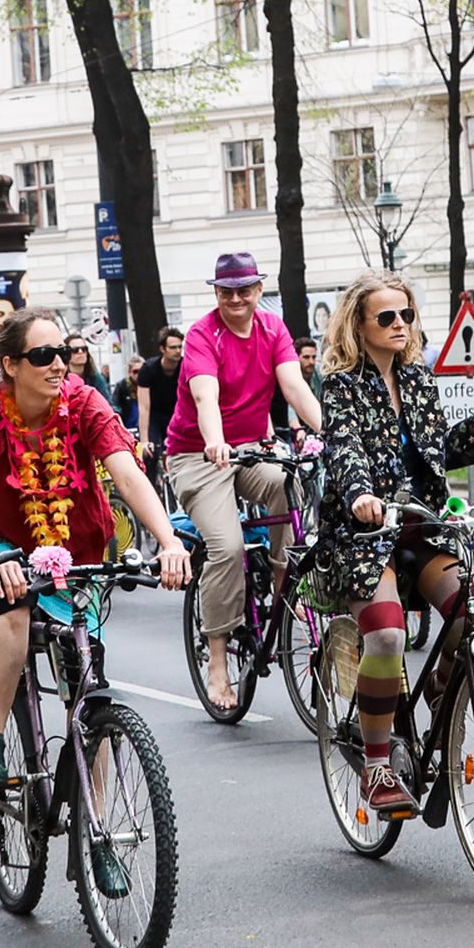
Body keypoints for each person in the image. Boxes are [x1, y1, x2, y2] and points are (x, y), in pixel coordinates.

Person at [0, 307, 189, 787]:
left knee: (87, 685)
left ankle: (97, 830)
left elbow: (124, 469)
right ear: (12, 365)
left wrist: (169, 541)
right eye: (43, 355)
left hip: (74, 550)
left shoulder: (84, 402)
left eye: (61, 352)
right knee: (13, 606)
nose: (59, 364)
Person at [310, 271, 474, 816]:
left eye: (406, 314)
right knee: (385, 638)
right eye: (387, 317)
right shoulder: (341, 384)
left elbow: (433, 452)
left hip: (421, 524)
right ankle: (376, 763)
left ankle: (438, 688)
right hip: (364, 533)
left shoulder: (420, 378)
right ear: (359, 324)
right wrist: (360, 497)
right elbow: (344, 449)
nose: (400, 325)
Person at [165, 252, 326, 712]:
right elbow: (204, 394)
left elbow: (294, 388)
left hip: (254, 447)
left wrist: (331, 435)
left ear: (259, 290)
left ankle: (283, 584)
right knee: (228, 546)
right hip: (199, 453)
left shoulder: (272, 329)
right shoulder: (202, 335)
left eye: (244, 289)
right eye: (226, 291)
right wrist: (215, 441)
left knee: (290, 486)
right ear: (216, 292)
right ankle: (217, 660)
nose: (236, 299)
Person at [132, 325, 186, 470]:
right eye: (173, 347)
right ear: (163, 349)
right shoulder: (148, 369)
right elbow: (144, 407)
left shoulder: (186, 366)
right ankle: (151, 489)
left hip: (178, 414)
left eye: (180, 347)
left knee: (184, 452)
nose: (178, 351)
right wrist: (144, 441)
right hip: (154, 416)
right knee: (150, 452)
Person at [67, 329, 113, 397]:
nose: (80, 352)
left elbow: (108, 403)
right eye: (75, 350)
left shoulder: (96, 378)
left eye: (84, 349)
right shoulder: (62, 379)